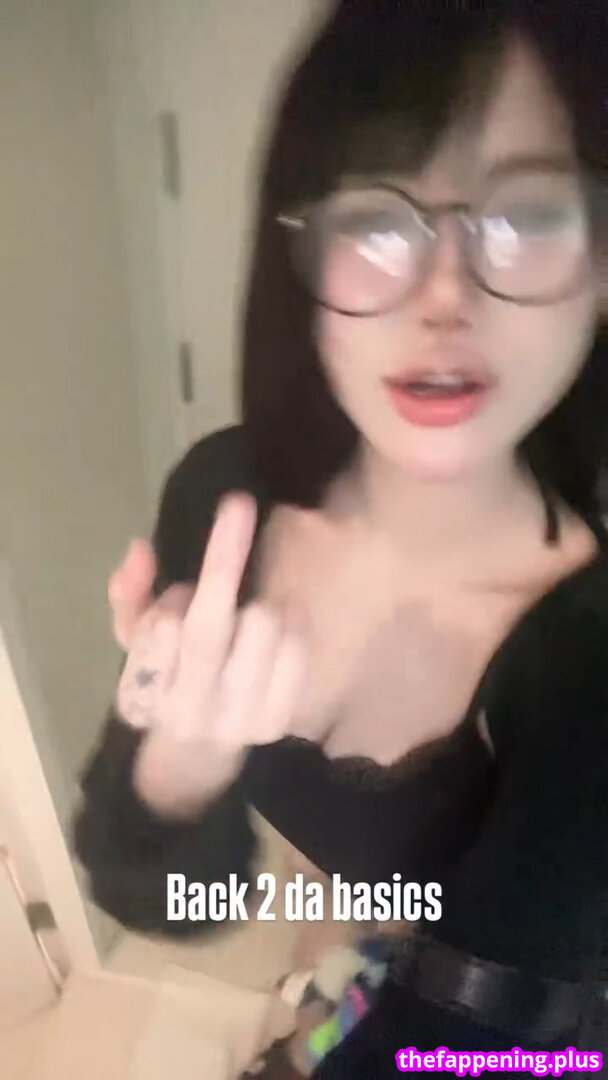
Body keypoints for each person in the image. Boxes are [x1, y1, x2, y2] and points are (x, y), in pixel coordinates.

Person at [74, 1, 607, 1074]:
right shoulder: (220, 495)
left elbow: (486, 1044)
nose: (444, 297)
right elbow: (158, 890)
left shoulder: (588, 671)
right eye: (376, 220)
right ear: (303, 258)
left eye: (527, 215)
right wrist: (180, 764)